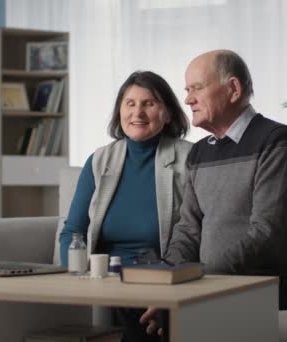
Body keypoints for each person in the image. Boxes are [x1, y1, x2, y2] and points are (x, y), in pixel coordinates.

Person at [141, 50, 287, 336]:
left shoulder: (276, 140)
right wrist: (167, 278)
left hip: (268, 285)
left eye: (197, 88)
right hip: (211, 285)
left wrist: (200, 281)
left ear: (233, 89)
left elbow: (266, 232)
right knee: (136, 311)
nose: (187, 99)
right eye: (187, 90)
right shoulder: (199, 152)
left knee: (187, 316)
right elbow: (188, 229)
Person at [59, 70, 192, 342]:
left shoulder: (189, 159)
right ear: (119, 111)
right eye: (130, 103)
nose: (138, 113)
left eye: (149, 103)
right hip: (104, 283)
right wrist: (76, 281)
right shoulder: (99, 160)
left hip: (158, 281)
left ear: (167, 113)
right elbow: (72, 232)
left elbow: (195, 235)